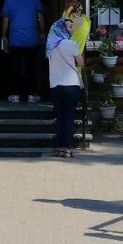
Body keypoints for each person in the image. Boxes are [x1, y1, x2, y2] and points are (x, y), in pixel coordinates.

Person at [0, 0, 45, 103]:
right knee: (32, 67)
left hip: (15, 39)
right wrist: (42, 33)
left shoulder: (9, 0)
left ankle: (14, 94)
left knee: (14, 67)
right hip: (32, 39)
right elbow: (40, 18)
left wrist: (4, 35)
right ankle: (32, 94)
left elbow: (5, 20)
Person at [46, 18, 84, 158]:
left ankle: (60, 148)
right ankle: (68, 149)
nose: (72, 29)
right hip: (70, 85)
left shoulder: (50, 46)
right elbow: (81, 62)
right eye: (69, 27)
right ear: (62, 29)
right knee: (69, 117)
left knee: (60, 118)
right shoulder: (71, 44)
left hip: (55, 86)